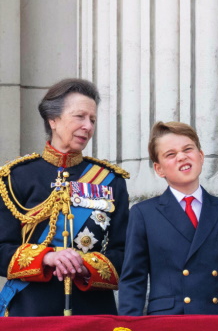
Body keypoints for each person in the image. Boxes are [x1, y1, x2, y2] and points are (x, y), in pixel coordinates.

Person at [0, 79, 128, 316]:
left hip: (92, 311)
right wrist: (47, 258)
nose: (88, 126)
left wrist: (85, 265)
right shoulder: (16, 176)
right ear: (53, 120)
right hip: (31, 309)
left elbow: (125, 253)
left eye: (92, 120)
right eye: (80, 116)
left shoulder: (112, 180)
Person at [119, 121, 218, 315]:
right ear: (159, 169)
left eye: (188, 149)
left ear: (200, 156)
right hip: (168, 323)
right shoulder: (144, 213)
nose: (182, 157)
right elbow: (133, 280)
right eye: (171, 154)